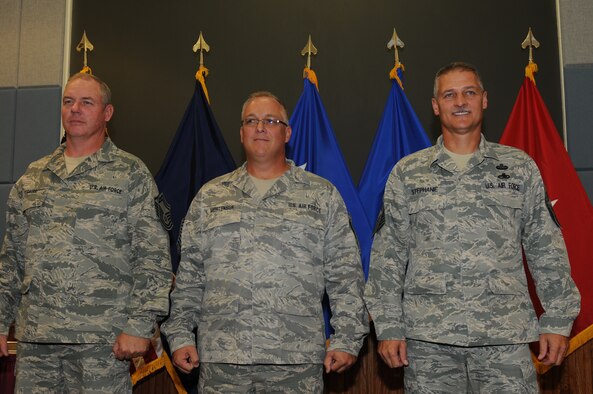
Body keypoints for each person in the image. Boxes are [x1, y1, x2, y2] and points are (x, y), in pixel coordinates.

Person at [364, 62, 580, 393]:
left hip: (504, 338)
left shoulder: (519, 168)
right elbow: (388, 257)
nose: (460, 101)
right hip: (430, 341)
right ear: (436, 106)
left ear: (485, 99)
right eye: (449, 95)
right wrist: (389, 325)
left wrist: (557, 318)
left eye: (469, 92)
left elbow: (545, 247)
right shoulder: (407, 173)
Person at [161, 91, 368, 393]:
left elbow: (345, 275)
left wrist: (347, 338)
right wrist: (180, 335)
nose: (260, 128)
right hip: (223, 359)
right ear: (241, 132)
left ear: (287, 133)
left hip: (295, 360)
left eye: (271, 121)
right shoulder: (211, 196)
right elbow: (191, 276)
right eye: (251, 121)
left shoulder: (321, 196)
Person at [0, 72, 172, 393]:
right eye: (69, 102)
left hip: (102, 340)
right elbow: (11, 259)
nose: (75, 109)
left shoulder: (130, 174)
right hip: (38, 338)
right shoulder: (34, 175)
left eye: (86, 102)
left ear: (107, 113)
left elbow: (153, 259)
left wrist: (138, 326)